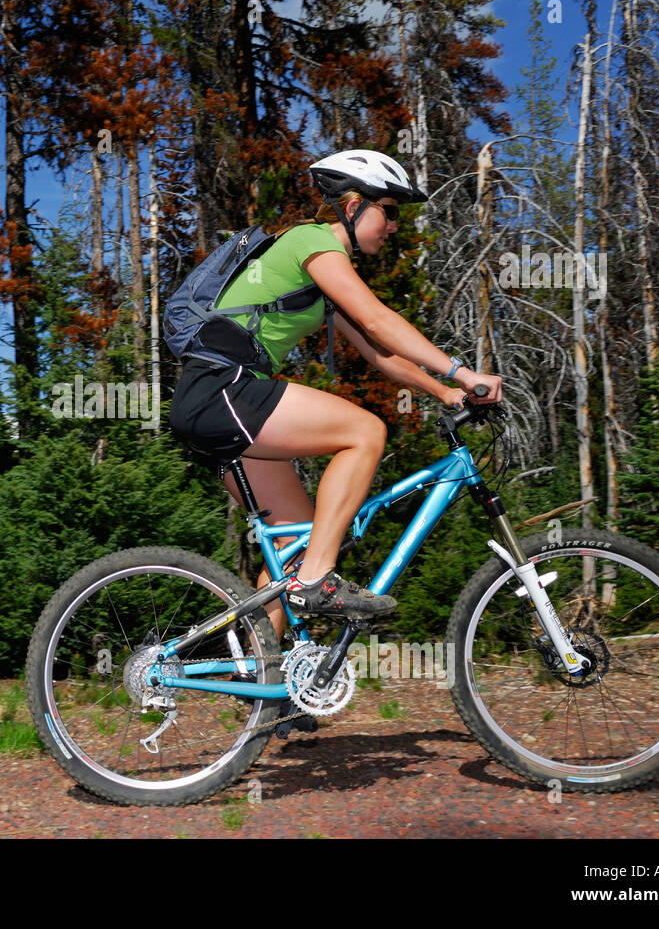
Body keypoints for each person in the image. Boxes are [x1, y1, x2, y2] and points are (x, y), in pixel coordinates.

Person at [169, 149, 503, 633]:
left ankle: (262, 685)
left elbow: (380, 352)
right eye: (388, 211)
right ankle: (317, 581)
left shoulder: (325, 271)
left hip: (224, 402)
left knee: (297, 548)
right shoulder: (311, 241)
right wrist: (461, 371)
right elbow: (377, 319)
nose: (393, 226)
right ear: (352, 206)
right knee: (365, 432)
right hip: (223, 390)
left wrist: (444, 392)